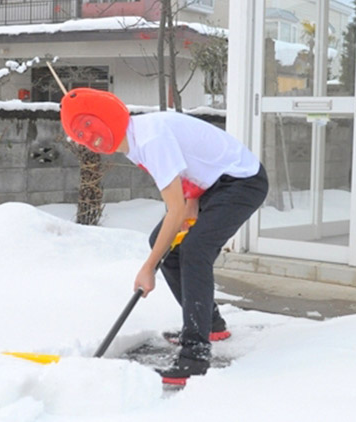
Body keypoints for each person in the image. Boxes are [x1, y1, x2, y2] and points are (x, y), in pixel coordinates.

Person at [60, 88, 268, 381]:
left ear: (107, 113)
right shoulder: (132, 139)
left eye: (89, 124)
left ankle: (195, 355)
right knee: (168, 248)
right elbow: (184, 170)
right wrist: (192, 199)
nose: (89, 137)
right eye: (80, 134)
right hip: (212, 184)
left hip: (242, 181)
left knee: (194, 250)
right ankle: (211, 323)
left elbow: (174, 211)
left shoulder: (149, 138)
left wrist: (148, 269)